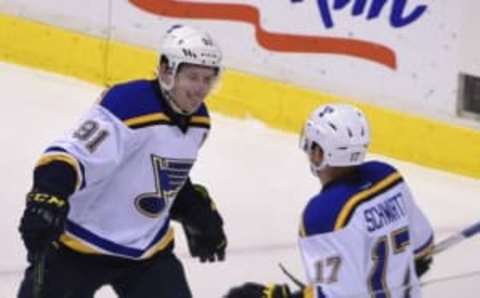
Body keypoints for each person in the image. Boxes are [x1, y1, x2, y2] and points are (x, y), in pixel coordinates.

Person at [18, 24, 227, 298]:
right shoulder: (128, 105)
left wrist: (194, 208)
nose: (200, 89)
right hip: (77, 245)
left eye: (207, 79)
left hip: (148, 252)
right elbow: (70, 155)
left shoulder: (200, 121)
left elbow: (157, 176)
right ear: (167, 71)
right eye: (192, 77)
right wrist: (46, 195)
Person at [225, 103, 434, 298]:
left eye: (312, 146)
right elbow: (423, 247)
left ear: (319, 153)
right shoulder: (388, 177)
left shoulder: (324, 213)